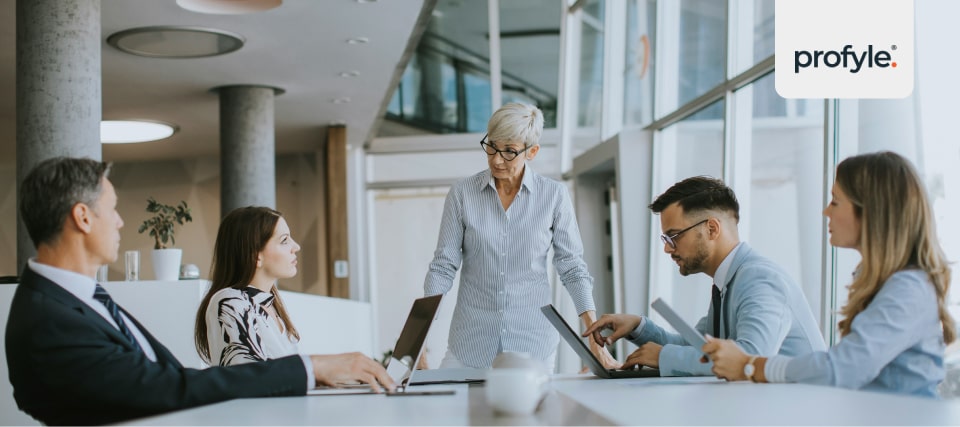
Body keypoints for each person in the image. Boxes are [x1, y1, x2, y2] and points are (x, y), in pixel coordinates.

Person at [5, 157, 394, 426]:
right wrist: (313, 367)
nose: (122, 221)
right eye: (114, 208)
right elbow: (163, 389)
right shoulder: (49, 320)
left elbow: (162, 380)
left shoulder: (76, 302)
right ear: (83, 217)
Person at [704, 151, 956, 398]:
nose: (826, 212)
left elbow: (842, 368)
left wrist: (751, 366)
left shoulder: (908, 289)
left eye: (835, 201)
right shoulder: (879, 281)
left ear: (871, 211)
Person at [423, 102, 616, 371]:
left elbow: (572, 268)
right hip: (470, 342)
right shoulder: (462, 194)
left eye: (509, 152)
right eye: (491, 146)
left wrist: (594, 338)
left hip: (533, 343)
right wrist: (419, 336)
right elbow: (443, 267)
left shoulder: (553, 196)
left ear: (532, 151)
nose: (496, 159)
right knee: (453, 413)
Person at [584, 176, 825, 376]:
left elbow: (748, 358)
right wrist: (637, 327)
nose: (667, 248)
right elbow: (696, 347)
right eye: (665, 239)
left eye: (674, 236)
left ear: (712, 228)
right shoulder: (728, 283)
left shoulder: (759, 279)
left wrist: (664, 356)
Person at [194, 206, 305, 366]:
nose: (296, 247)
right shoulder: (230, 301)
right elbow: (249, 378)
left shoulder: (270, 305)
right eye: (284, 240)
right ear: (255, 255)